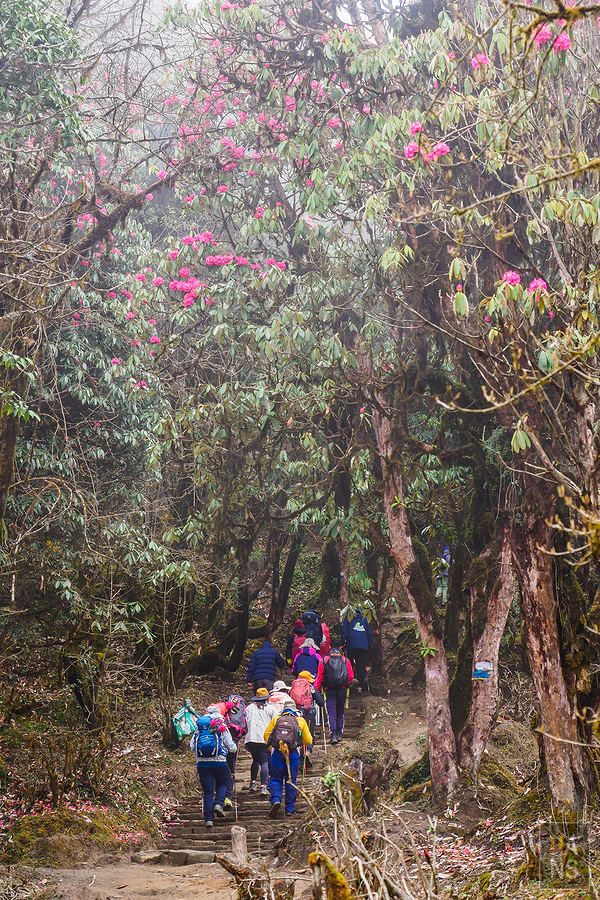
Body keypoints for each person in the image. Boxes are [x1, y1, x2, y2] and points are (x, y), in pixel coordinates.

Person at [263, 697, 312, 818]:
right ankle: (290, 808)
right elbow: (308, 740)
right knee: (291, 779)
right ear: (295, 710)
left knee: (275, 778)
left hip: (278, 753)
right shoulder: (300, 721)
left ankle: (276, 799)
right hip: (293, 754)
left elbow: (266, 735)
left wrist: (273, 748)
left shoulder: (277, 719)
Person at [190, 705, 237, 828]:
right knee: (223, 783)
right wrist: (232, 749)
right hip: (219, 761)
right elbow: (231, 746)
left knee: (208, 791)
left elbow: (192, 746)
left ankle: (209, 819)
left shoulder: (199, 727)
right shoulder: (221, 726)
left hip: (202, 763)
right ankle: (218, 804)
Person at [245, 687, 275, 797]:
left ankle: (253, 782)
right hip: (264, 739)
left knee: (255, 760)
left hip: (251, 739)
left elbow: (245, 721)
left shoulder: (249, 708)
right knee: (264, 761)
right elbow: (275, 722)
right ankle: (263, 786)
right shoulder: (270, 708)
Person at [291, 670, 324, 767]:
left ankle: (299, 753)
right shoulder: (310, 687)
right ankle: (308, 751)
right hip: (309, 715)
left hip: (297, 716)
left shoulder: (293, 686)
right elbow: (320, 701)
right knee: (309, 734)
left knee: (299, 734)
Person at [323, 640, 354, 743]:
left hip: (329, 689)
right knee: (340, 712)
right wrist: (345, 683)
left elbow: (319, 677)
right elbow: (351, 676)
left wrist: (318, 689)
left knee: (331, 713)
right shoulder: (345, 660)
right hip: (342, 689)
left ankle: (333, 735)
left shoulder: (325, 660)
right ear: (340, 649)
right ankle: (340, 734)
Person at [341, 611, 373, 691]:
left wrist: (343, 643)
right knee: (361, 666)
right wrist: (368, 644)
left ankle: (351, 681)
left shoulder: (348, 618)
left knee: (349, 664)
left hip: (351, 645)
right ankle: (360, 686)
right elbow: (369, 633)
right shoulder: (365, 619)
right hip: (363, 647)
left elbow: (344, 631)